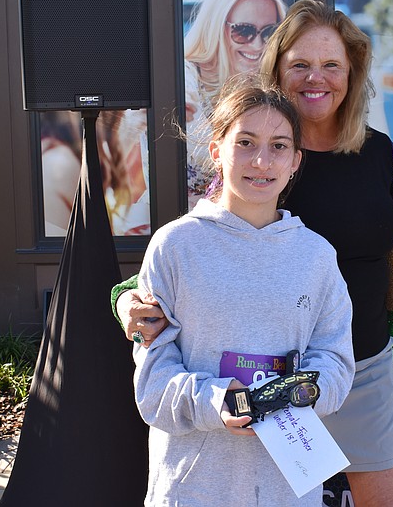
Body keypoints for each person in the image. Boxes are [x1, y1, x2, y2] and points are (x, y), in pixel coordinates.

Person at [114, 0, 393, 507]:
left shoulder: (378, 152)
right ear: (278, 71)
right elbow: (195, 246)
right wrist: (129, 301)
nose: (318, 78)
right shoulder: (259, 153)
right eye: (301, 64)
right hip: (262, 382)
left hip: (357, 363)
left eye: (332, 64)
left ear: (351, 73)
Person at [133, 75, 355, 506]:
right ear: (217, 151)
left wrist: (301, 391)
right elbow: (153, 382)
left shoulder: (317, 257)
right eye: (246, 142)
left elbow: (335, 361)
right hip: (191, 488)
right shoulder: (175, 246)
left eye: (278, 146)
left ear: (296, 160)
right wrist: (216, 402)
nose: (261, 161)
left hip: (288, 489)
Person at [183, 0, 289, 207]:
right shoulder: (184, 78)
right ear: (216, 27)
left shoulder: (274, 82)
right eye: (243, 30)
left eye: (270, 32)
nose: (257, 44)